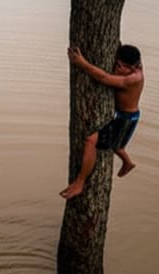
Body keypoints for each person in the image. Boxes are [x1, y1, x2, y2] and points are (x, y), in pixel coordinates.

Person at [60, 44, 144, 200]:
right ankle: (128, 163)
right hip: (124, 116)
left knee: (91, 139)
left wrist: (82, 63)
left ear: (133, 68)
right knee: (116, 145)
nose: (116, 69)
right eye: (116, 64)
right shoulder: (136, 65)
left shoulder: (132, 79)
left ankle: (80, 182)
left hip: (125, 118)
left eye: (121, 67)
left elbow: (104, 78)